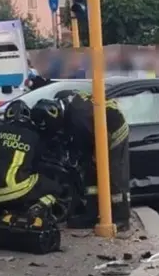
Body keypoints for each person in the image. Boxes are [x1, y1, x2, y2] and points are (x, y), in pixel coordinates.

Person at [55, 90, 131, 231]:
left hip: (114, 132)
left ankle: (121, 218)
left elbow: (95, 140)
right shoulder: (75, 107)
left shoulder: (78, 116)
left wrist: (94, 157)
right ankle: (93, 213)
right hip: (100, 129)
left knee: (114, 174)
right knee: (90, 173)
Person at [0, 100, 62, 224]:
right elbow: (38, 163)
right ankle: (36, 209)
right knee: (56, 188)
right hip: (19, 188)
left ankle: (11, 212)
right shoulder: (32, 136)